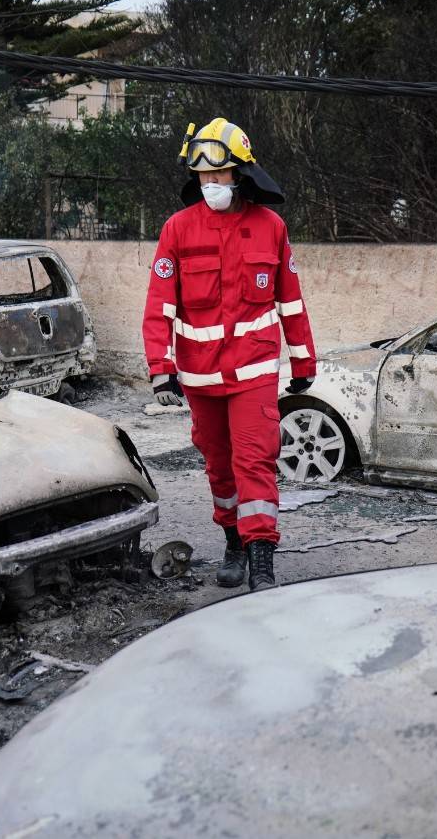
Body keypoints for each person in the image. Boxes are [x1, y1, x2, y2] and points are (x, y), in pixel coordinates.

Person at [141, 118, 316, 592]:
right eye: (202, 177)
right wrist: (161, 370)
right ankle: (234, 543)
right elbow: (159, 306)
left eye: (218, 176)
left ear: (240, 172)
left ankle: (262, 560)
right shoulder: (177, 230)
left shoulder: (270, 228)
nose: (210, 185)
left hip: (254, 369)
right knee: (219, 468)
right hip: (199, 377)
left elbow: (291, 301)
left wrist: (303, 363)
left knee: (254, 461)